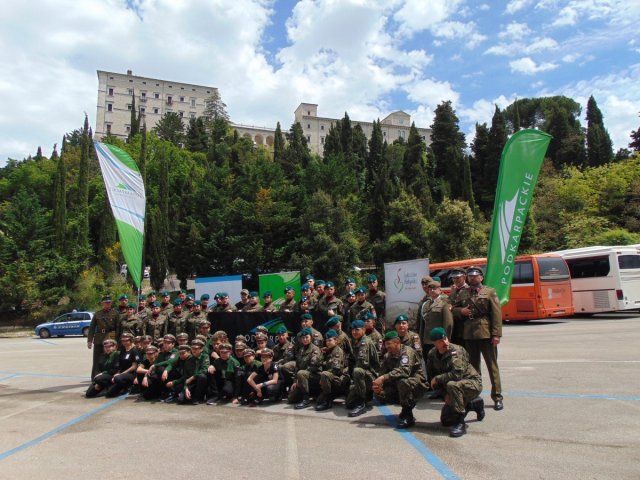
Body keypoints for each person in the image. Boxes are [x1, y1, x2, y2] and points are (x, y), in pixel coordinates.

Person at [427, 327, 484, 437]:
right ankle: (474, 404)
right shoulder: (432, 354)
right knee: (446, 421)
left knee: (452, 385)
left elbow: (457, 375)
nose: (445, 342)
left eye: (446, 339)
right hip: (453, 387)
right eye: (441, 341)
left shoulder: (456, 351)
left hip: (471, 383)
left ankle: (460, 423)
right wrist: (444, 394)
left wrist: (438, 379)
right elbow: (432, 375)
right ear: (434, 343)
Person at [460, 266, 504, 411]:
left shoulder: (489, 291)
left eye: (475, 276)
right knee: (473, 368)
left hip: (485, 333)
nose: (472, 278)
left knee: (492, 367)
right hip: (469, 334)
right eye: (470, 276)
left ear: (481, 277)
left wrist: (496, 334)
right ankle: (475, 396)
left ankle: (497, 397)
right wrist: (461, 311)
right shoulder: (463, 292)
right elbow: (452, 308)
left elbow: (496, 314)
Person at [372, 331, 428, 428]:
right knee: (380, 394)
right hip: (399, 384)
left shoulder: (407, 352)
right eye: (386, 344)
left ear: (397, 342)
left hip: (417, 384)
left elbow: (404, 371)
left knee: (403, 381)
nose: (387, 346)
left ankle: (408, 415)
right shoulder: (387, 355)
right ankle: (405, 407)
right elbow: (382, 373)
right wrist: (378, 386)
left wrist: (383, 378)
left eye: (389, 344)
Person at [345, 320, 380, 417]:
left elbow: (362, 364)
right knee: (349, 403)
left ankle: (361, 403)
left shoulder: (364, 343)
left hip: (372, 375)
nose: (354, 332)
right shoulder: (357, 341)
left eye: (357, 330)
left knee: (357, 370)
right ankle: (366, 394)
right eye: (353, 330)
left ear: (364, 330)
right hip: (364, 374)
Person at [287, 328, 323, 409]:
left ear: (311, 337)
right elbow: (297, 367)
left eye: (307, 337)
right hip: (303, 377)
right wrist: (295, 381)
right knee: (291, 399)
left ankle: (306, 399)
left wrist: (300, 377)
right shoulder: (301, 350)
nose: (305, 339)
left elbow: (313, 367)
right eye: (303, 338)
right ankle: (310, 393)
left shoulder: (315, 349)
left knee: (301, 373)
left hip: (315, 376)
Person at [418, 279, 454, 360]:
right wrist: (421, 339)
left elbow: (448, 323)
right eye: (430, 289)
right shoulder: (425, 304)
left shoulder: (445, 303)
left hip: (439, 340)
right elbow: (422, 324)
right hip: (427, 340)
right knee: (428, 363)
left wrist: (445, 339)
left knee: (440, 362)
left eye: (434, 288)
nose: (432, 291)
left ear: (440, 290)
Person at [87, 295, 120, 378]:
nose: (107, 304)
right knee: (97, 360)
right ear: (102, 303)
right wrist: (89, 340)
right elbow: (92, 328)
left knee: (111, 359)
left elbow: (118, 328)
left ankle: (109, 376)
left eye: (109, 302)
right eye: (106, 303)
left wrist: (117, 341)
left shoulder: (115, 313)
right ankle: (95, 378)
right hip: (99, 339)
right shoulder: (97, 314)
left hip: (110, 338)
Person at [315, 330, 348, 411]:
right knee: (318, 401)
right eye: (326, 341)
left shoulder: (337, 351)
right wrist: (322, 354)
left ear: (336, 341)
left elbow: (336, 369)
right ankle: (329, 395)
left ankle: (328, 401)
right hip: (331, 378)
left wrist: (322, 376)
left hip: (339, 378)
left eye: (330, 340)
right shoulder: (328, 351)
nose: (328, 342)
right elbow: (320, 364)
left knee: (324, 374)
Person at [105, 332, 141, 397]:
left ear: (131, 340)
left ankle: (128, 387)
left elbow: (134, 366)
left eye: (126, 340)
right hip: (122, 373)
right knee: (109, 394)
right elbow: (120, 364)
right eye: (123, 340)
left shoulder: (134, 350)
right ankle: (120, 387)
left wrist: (121, 374)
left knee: (118, 378)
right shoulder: (123, 350)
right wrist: (118, 372)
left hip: (131, 374)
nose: (124, 342)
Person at [448, 268, 470, 346]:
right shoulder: (454, 290)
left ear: (464, 277)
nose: (455, 280)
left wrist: (453, 309)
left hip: (464, 327)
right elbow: (448, 304)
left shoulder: (469, 290)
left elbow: (467, 309)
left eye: (457, 278)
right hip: (454, 327)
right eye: (453, 278)